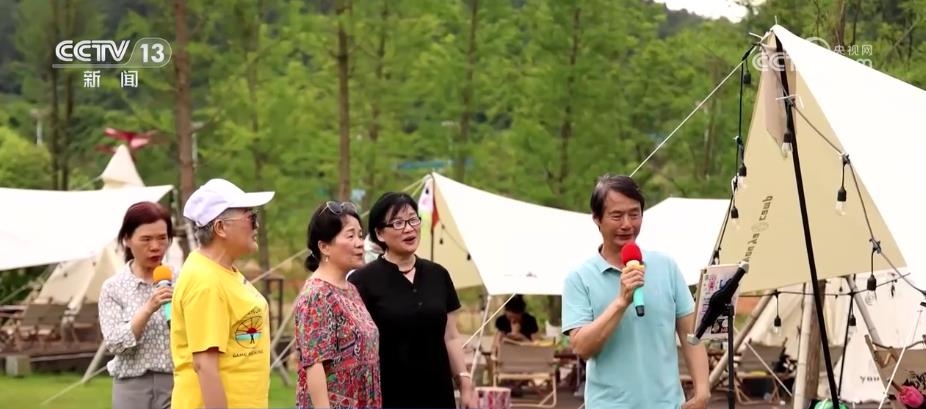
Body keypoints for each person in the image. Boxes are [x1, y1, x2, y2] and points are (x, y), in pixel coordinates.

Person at [561, 174, 710, 409]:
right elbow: (582, 348)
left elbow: (691, 333)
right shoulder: (579, 278)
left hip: (668, 404)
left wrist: (702, 391)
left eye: (634, 214)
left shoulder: (666, 267)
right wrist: (621, 302)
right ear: (596, 218)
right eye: (617, 216)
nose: (627, 224)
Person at [348, 192, 477, 409]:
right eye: (398, 223)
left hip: (438, 395)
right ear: (379, 233)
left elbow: (451, 336)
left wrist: (464, 383)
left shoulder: (438, 275)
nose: (409, 229)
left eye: (413, 220)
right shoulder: (362, 281)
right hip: (388, 396)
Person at [169, 178, 275, 409]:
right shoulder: (205, 281)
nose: (257, 225)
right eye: (251, 217)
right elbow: (205, 366)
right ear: (220, 227)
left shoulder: (221, 271)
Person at [294, 201, 381, 409]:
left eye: (360, 235)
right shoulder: (317, 295)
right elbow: (314, 365)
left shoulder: (350, 289)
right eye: (350, 236)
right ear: (324, 247)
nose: (360, 243)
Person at [99, 201, 176, 409]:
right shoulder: (113, 288)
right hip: (131, 388)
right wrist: (148, 308)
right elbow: (115, 344)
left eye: (162, 238)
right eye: (146, 239)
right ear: (127, 239)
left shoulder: (182, 279)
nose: (156, 246)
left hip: (177, 383)